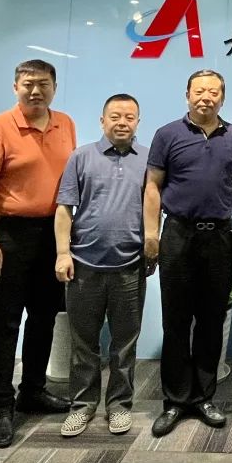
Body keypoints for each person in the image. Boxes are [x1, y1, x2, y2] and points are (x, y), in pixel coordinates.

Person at [0, 59, 77, 448]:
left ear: (54, 87)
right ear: (16, 86)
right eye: (28, 83)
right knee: (6, 321)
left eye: (43, 84)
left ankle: (32, 390)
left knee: (44, 317)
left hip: (53, 233)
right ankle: (1, 404)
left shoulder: (65, 123)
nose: (36, 91)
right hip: (11, 234)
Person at [143, 69, 232, 437]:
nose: (206, 97)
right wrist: (151, 233)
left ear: (223, 97)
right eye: (200, 91)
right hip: (178, 234)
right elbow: (153, 187)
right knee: (175, 320)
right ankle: (174, 400)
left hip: (219, 236)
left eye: (214, 91)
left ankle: (203, 397)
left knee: (210, 319)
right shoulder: (167, 134)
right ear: (187, 94)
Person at [54, 94, 148, 438]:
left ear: (138, 122)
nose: (122, 122)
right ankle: (82, 405)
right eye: (115, 116)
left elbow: (156, 209)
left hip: (130, 266)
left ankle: (119, 405)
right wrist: (62, 253)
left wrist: (152, 249)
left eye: (129, 117)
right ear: (102, 120)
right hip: (84, 265)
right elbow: (64, 208)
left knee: (124, 344)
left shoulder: (149, 159)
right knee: (84, 343)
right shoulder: (81, 157)